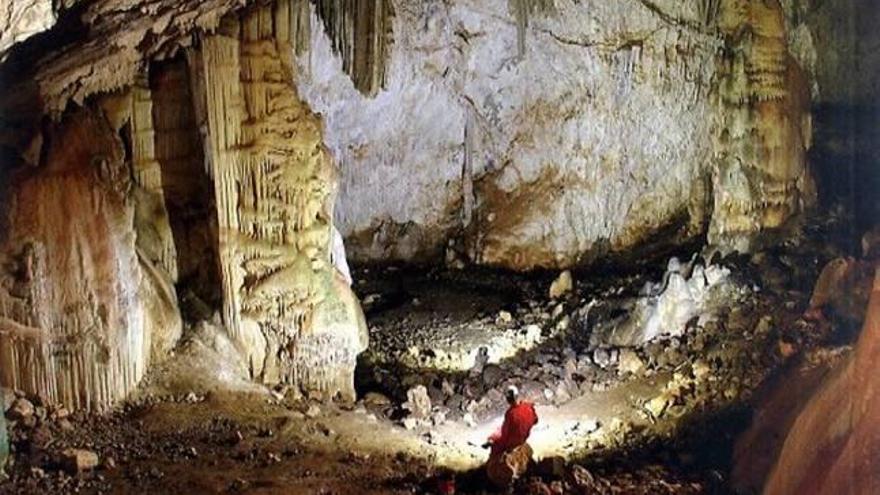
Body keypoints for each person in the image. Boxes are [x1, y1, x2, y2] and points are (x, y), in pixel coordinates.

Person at [483, 386, 538, 487]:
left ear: (508, 399)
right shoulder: (528, 406)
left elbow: (504, 434)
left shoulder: (511, 414)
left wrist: (492, 440)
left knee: (493, 442)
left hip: (511, 443)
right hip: (522, 439)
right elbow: (535, 421)